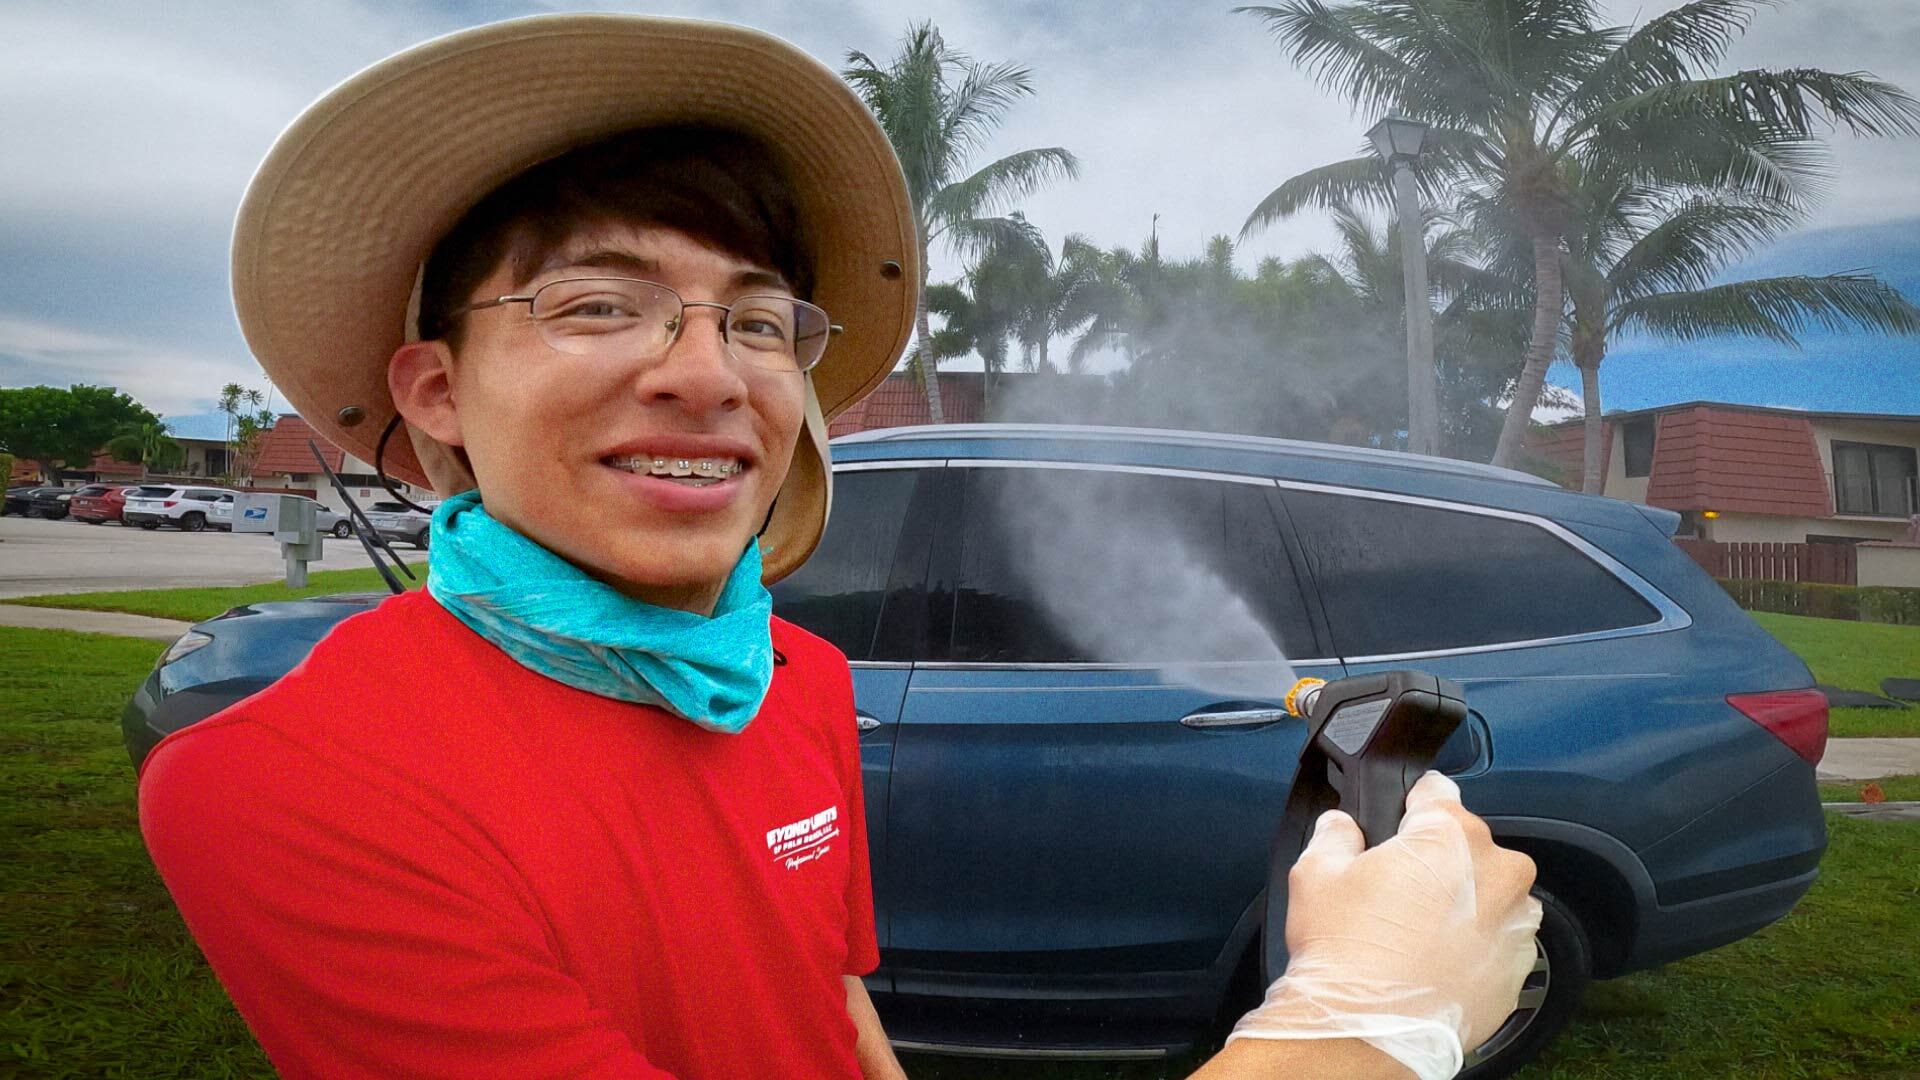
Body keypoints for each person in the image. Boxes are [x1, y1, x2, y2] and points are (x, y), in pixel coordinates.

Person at [138, 14, 1541, 1080]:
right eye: (598, 304)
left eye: (757, 322)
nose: (709, 375)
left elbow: (832, 1002)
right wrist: (1364, 1027)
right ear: (438, 390)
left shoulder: (792, 678)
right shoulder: (282, 788)